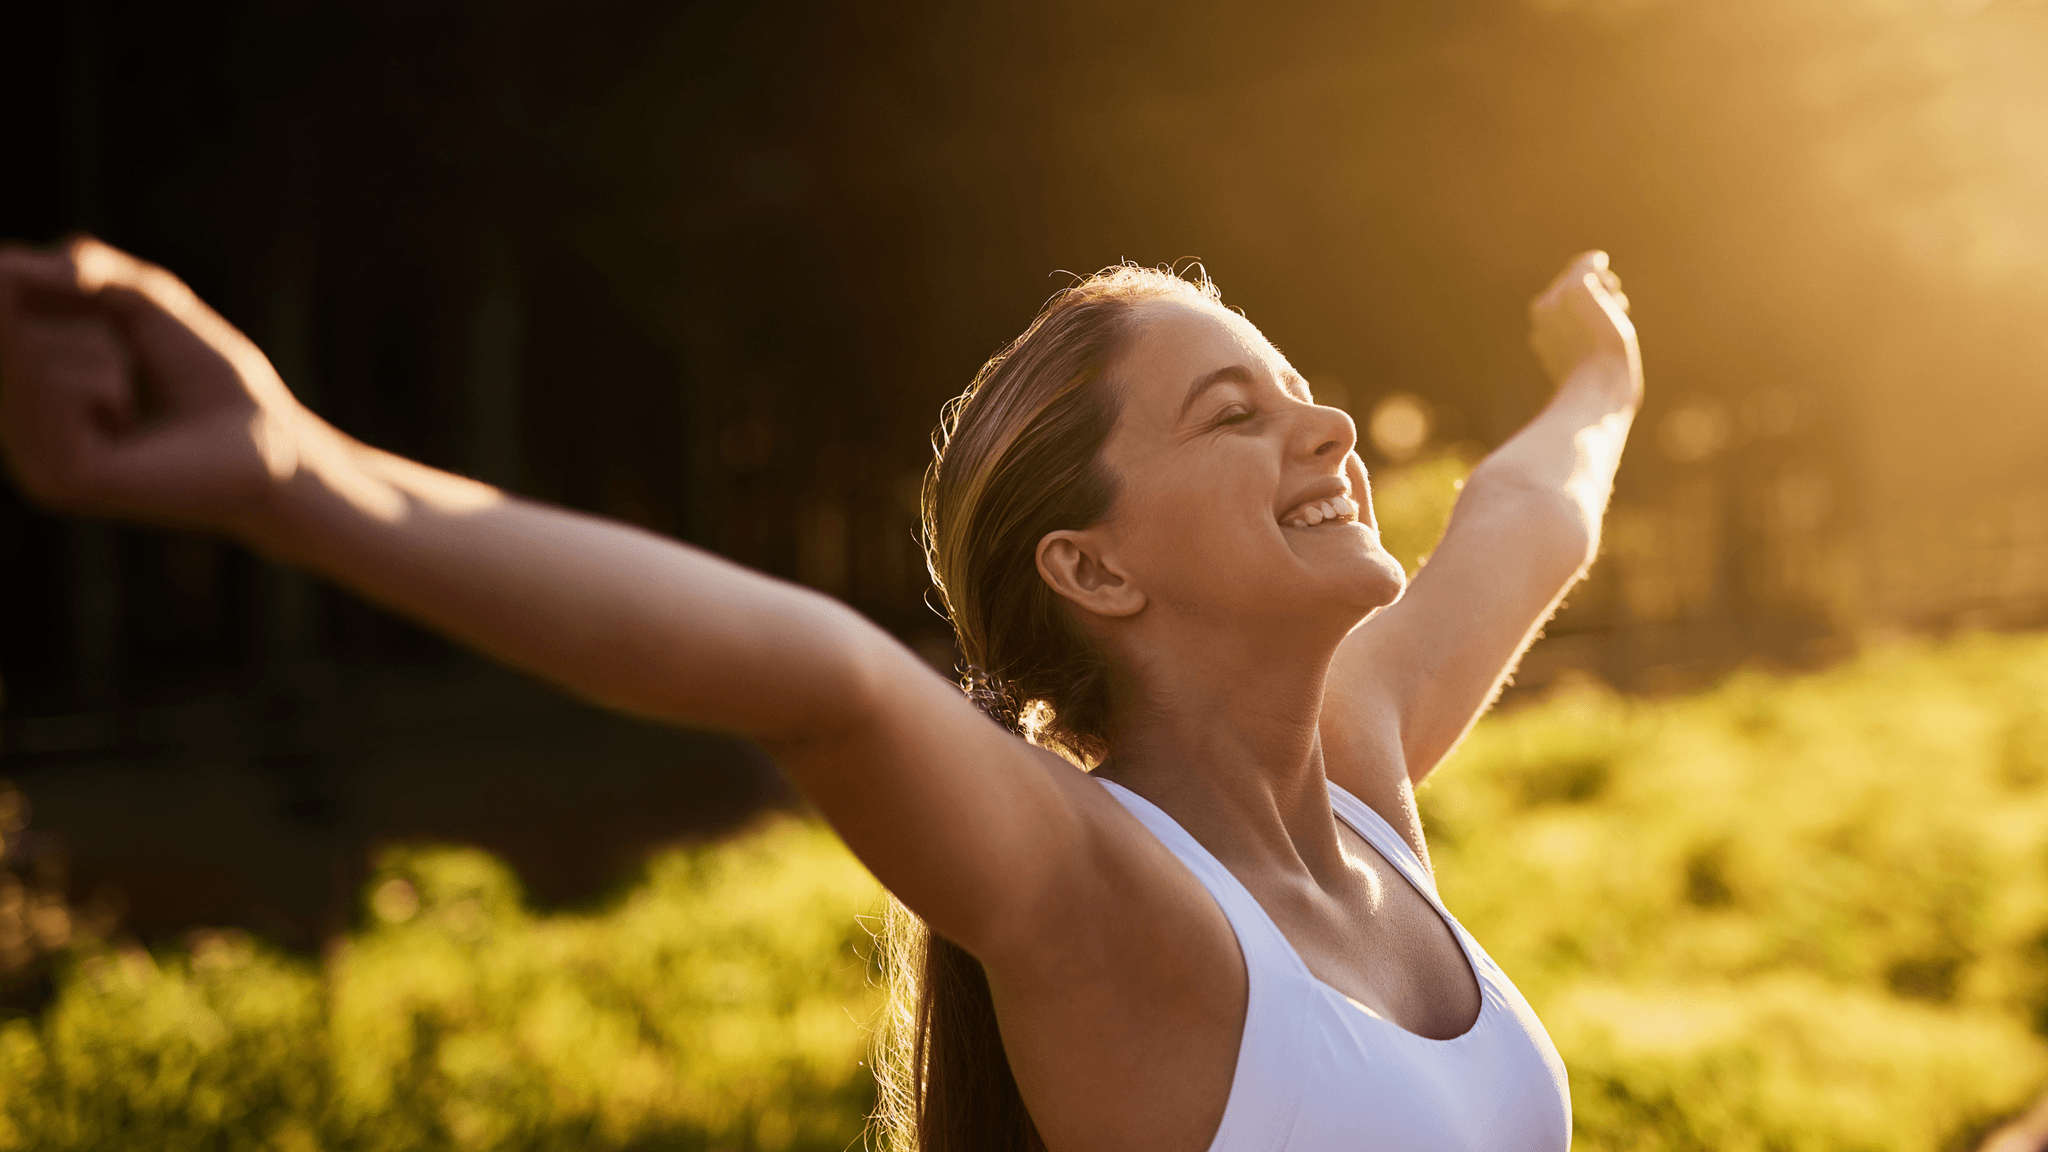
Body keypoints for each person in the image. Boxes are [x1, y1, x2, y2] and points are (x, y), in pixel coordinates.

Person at [0, 236, 1632, 1151]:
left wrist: (1601, 375)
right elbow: (821, 677)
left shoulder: (1360, 787)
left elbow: (1526, 516)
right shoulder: (1114, 907)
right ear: (1093, 570)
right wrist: (295, 474)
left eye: (1299, 392)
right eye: (1234, 414)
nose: (1329, 431)